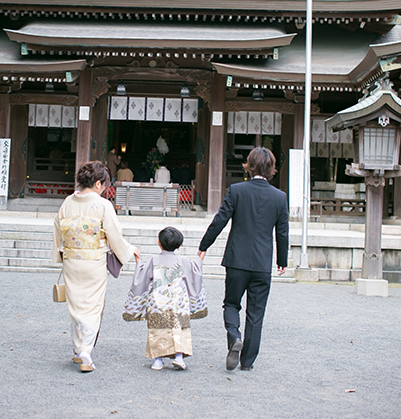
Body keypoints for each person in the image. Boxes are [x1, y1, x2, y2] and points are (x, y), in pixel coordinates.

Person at [198, 147, 288, 372]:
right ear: (270, 168)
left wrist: (204, 246)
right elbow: (282, 232)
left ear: (249, 165)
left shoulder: (237, 190)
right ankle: (247, 362)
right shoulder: (279, 197)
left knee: (231, 303)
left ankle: (234, 336)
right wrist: (282, 260)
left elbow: (220, 220)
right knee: (256, 312)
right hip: (262, 263)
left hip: (237, 260)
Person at [53, 161, 139, 373]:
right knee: (92, 307)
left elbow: (58, 229)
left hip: (72, 258)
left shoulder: (67, 202)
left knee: (75, 305)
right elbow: (114, 234)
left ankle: (77, 348)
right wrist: (129, 250)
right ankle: (84, 352)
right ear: (98, 183)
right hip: (94, 261)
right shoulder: (102, 205)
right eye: (104, 185)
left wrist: (60, 255)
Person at [123, 226, 207, 371]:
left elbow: (141, 278)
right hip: (178, 302)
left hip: (158, 301)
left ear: (159, 243)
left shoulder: (153, 260)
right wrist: (200, 258)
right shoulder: (184, 260)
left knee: (158, 329)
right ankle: (179, 357)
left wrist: (138, 261)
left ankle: (158, 360)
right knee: (179, 328)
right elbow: (195, 273)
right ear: (179, 245)